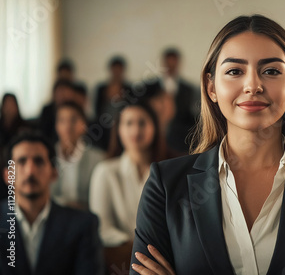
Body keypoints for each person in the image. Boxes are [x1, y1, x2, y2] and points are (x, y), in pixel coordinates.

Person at [130, 15, 285, 275]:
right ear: (211, 87)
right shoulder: (165, 185)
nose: (253, 85)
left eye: (271, 71)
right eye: (234, 71)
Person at [0, 133, 104, 275]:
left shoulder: (83, 225)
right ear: (7, 175)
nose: (30, 170)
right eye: (21, 161)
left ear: (54, 172)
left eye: (39, 161)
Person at [89, 101, 170, 274]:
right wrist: (136, 246)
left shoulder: (168, 171)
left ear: (154, 127)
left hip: (164, 259)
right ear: (118, 129)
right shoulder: (105, 171)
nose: (135, 130)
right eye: (128, 123)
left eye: (142, 123)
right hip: (121, 257)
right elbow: (102, 227)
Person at [51, 101, 105, 210]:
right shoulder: (47, 156)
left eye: (73, 120)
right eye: (62, 120)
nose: (67, 126)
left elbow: (100, 200)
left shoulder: (98, 159)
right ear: (56, 126)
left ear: (84, 125)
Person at [145, 48, 199, 154]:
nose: (170, 67)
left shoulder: (188, 89)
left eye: (173, 63)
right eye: (167, 63)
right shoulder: (148, 87)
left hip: (180, 142)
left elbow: (192, 117)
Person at [93, 56, 133, 150]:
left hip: (122, 123)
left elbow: (131, 108)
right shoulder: (101, 89)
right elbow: (97, 110)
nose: (117, 73)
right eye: (115, 70)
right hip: (103, 125)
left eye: (119, 70)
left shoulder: (129, 89)